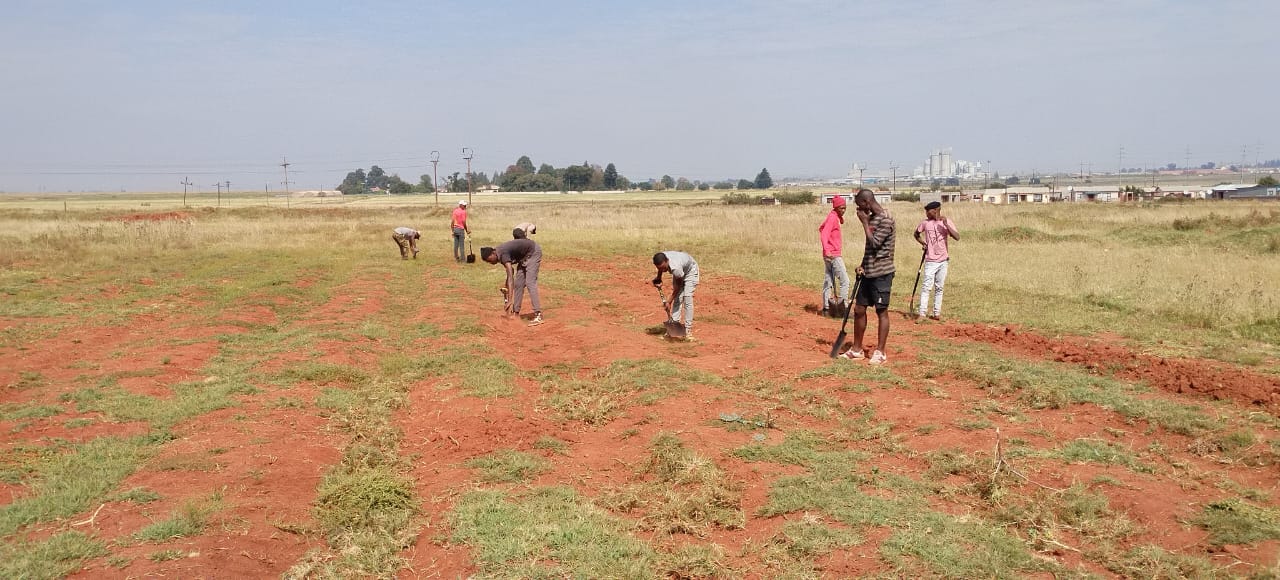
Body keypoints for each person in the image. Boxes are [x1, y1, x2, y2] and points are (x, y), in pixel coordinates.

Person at [841, 189, 895, 364]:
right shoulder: (872, 219)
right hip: (868, 272)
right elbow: (869, 248)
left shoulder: (886, 220)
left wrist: (864, 223)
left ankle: (880, 352)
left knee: (881, 311)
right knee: (859, 310)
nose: (858, 211)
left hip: (882, 273)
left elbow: (876, 243)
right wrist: (862, 264)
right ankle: (857, 349)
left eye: (859, 206)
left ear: (866, 203)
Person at [914, 201, 960, 321]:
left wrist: (946, 225)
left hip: (943, 260)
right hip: (930, 260)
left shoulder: (946, 221)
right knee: (926, 287)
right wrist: (923, 243)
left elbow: (957, 237)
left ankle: (936, 313)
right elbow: (916, 234)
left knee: (939, 287)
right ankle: (922, 314)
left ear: (934, 210)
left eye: (927, 211)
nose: (926, 213)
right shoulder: (925, 223)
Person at [481, 238, 543, 326]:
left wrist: (510, 300)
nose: (490, 263)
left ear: (493, 253)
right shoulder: (499, 254)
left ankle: (538, 315)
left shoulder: (502, 254)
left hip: (533, 252)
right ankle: (516, 313)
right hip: (524, 257)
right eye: (488, 262)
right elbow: (510, 271)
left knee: (530, 282)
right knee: (518, 285)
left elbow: (510, 276)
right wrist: (506, 288)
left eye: (489, 260)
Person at [652, 251, 699, 340]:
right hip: (681, 269)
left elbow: (678, 287)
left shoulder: (675, 268)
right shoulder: (661, 257)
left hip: (690, 272)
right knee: (678, 299)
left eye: (663, 268)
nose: (662, 270)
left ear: (667, 261)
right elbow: (660, 268)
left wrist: (669, 301)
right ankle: (673, 328)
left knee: (687, 298)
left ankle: (688, 331)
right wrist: (659, 277)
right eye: (659, 268)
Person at [819, 195, 850, 316]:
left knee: (829, 280)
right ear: (836, 208)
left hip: (829, 253)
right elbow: (824, 234)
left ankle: (827, 308)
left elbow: (821, 229)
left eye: (845, 208)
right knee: (845, 281)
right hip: (833, 254)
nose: (844, 210)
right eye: (841, 208)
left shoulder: (834, 217)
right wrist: (828, 250)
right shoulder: (832, 218)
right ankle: (843, 309)